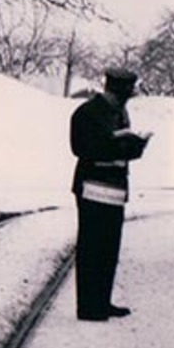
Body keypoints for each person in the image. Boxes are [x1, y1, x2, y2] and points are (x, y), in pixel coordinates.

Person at [69, 66, 152, 321]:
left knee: (109, 248)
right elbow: (80, 147)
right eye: (121, 94)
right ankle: (89, 307)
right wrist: (118, 146)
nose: (123, 99)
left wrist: (132, 147)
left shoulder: (119, 113)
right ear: (110, 90)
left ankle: (102, 301)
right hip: (93, 187)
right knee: (92, 247)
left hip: (114, 188)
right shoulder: (87, 113)